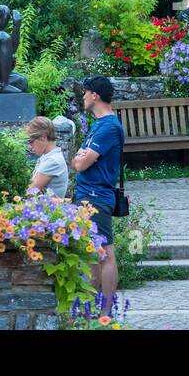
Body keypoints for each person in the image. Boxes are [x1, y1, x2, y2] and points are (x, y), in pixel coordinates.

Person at [71, 75, 124, 313]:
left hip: (96, 196)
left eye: (86, 92)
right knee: (92, 254)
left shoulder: (109, 127)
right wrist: (80, 159)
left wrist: (80, 160)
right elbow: (78, 160)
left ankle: (106, 310)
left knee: (105, 254)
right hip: (87, 195)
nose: (82, 96)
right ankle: (90, 308)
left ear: (95, 95)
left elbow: (81, 164)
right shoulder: (98, 125)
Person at [25, 117, 70, 199]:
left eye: (31, 141)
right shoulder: (48, 156)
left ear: (43, 137)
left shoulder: (52, 161)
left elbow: (30, 191)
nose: (29, 146)